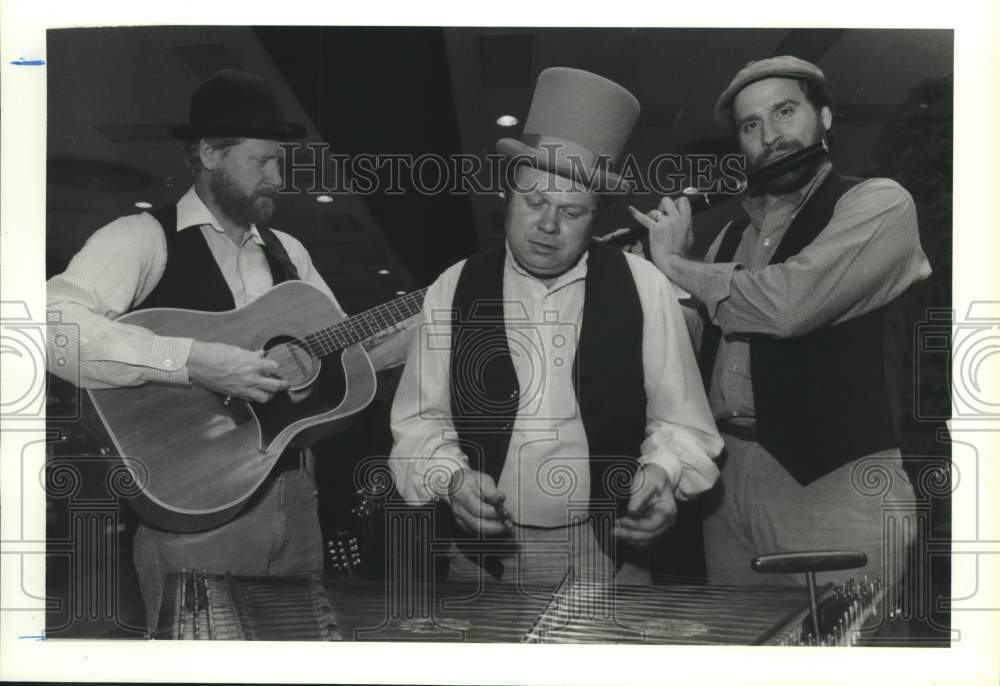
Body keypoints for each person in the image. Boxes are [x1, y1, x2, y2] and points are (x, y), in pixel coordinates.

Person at [46, 69, 409, 627]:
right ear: (211, 154)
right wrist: (191, 361)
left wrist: (423, 323)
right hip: (196, 510)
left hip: (298, 499)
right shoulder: (142, 237)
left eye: (280, 163)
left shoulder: (289, 253)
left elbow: (349, 356)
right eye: (261, 162)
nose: (278, 178)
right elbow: (50, 325)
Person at [389, 67, 723, 585]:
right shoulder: (452, 287)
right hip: (480, 556)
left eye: (571, 210)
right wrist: (450, 480)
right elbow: (419, 422)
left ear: (596, 217)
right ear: (507, 199)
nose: (548, 224)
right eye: (535, 202)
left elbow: (683, 423)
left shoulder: (643, 285)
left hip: (609, 550)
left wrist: (662, 474)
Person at [630, 56, 932, 587]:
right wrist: (649, 280)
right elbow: (688, 350)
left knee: (839, 654)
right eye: (751, 126)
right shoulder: (726, 240)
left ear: (826, 118)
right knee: (745, 654)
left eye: (785, 112)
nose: (770, 136)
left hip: (837, 481)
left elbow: (789, 305)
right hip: (729, 483)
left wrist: (677, 263)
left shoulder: (877, 203)